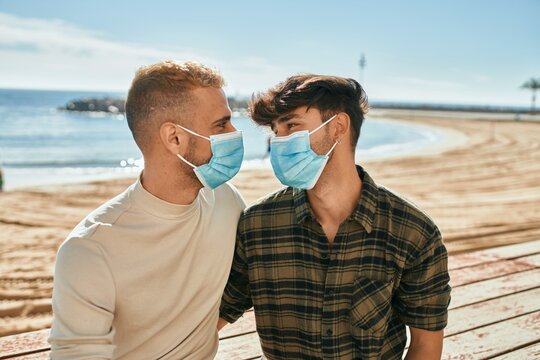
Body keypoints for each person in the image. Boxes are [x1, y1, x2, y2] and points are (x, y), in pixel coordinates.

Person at [218, 75, 451, 359]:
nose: (279, 142)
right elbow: (218, 312)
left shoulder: (413, 231)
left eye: (291, 126)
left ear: (339, 127)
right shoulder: (257, 226)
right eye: (275, 131)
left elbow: (425, 346)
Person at [49, 60, 246, 359]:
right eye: (221, 124)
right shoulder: (90, 249)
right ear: (174, 138)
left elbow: (243, 278)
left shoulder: (226, 201)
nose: (234, 132)